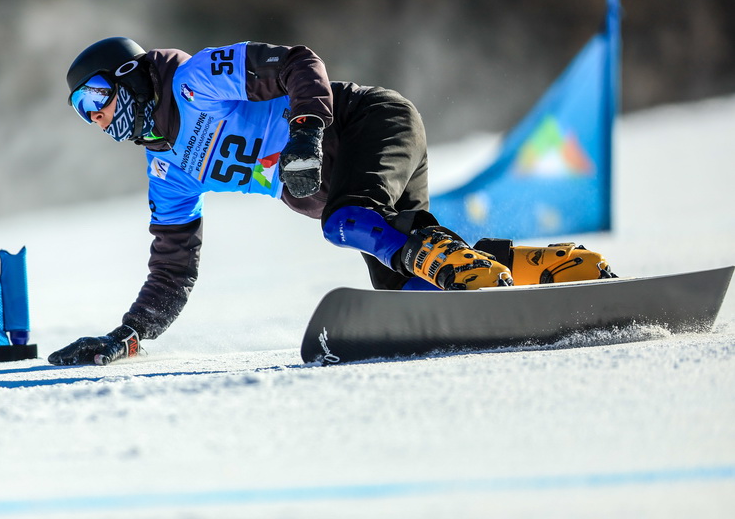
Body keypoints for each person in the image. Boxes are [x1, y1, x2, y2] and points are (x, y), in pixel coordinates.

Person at [48, 37, 615, 366]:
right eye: (80, 109)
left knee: (348, 221)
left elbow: (300, 63)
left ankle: (480, 281)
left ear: (130, 78)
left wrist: (305, 134)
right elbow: (174, 270)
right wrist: (129, 334)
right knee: (407, 290)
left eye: (95, 97)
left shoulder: (194, 80)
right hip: (346, 181)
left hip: (369, 122)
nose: (94, 117)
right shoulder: (167, 172)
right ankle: (559, 269)